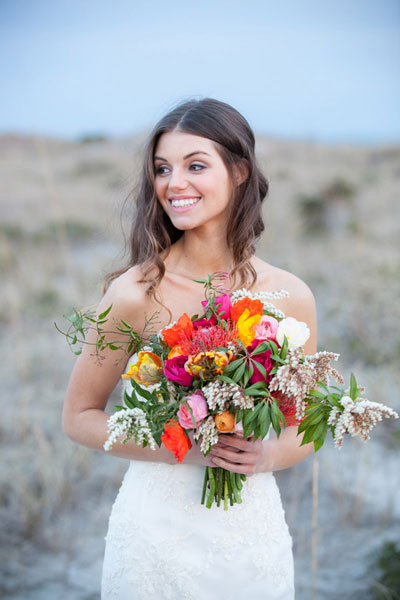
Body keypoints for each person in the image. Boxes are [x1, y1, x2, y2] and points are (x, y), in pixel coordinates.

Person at [63, 98, 317, 599]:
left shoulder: (290, 294)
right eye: (162, 169)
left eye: (194, 165)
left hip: (249, 536)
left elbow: (305, 427)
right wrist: (181, 448)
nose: (173, 183)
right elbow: (79, 416)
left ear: (239, 171)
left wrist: (264, 457)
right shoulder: (136, 292)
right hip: (155, 534)